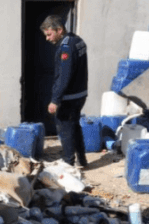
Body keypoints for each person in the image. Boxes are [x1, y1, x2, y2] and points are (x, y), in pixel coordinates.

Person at [40, 15, 89, 168]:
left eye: (49, 34)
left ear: (59, 30)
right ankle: (82, 160)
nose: (47, 39)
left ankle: (69, 164)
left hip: (69, 97)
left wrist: (55, 100)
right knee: (75, 126)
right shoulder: (78, 40)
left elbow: (64, 77)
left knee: (65, 129)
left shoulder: (66, 47)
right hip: (80, 94)